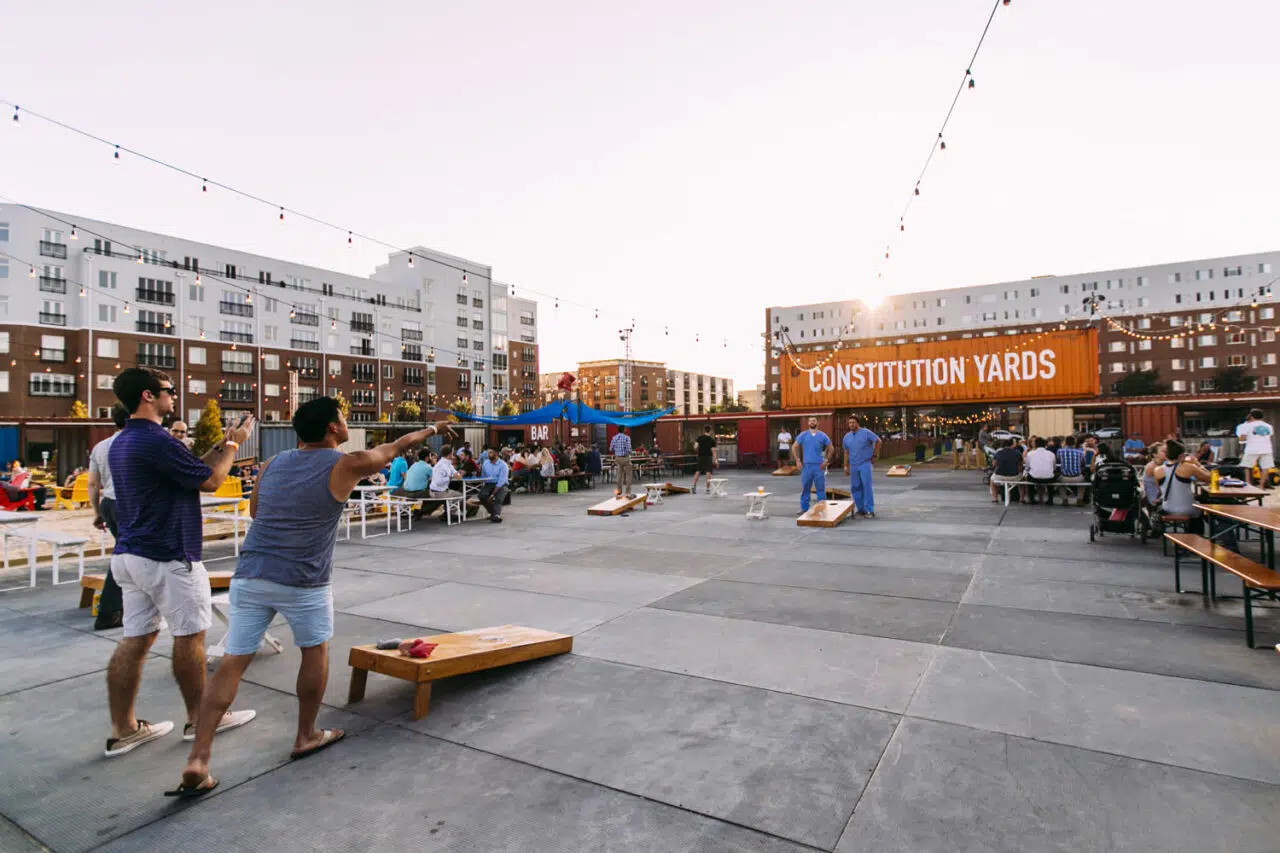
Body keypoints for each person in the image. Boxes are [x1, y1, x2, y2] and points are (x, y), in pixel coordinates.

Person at [175, 402, 449, 795]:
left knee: (232, 663)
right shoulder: (346, 464)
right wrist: (428, 430)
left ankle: (199, 758)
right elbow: (394, 448)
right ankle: (306, 734)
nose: (347, 422)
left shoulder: (269, 466)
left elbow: (256, 512)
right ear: (331, 428)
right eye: (342, 417)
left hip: (252, 573)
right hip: (304, 580)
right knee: (314, 652)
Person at [103, 367, 255, 759]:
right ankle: (202, 719)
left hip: (130, 553)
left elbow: (193, 471)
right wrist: (235, 447)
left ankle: (124, 729)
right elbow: (209, 481)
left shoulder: (122, 440)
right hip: (167, 553)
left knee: (134, 640)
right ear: (148, 396)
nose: (174, 397)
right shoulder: (155, 438)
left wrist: (221, 444)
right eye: (169, 391)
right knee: (190, 637)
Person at [87, 404, 130, 630]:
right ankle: (109, 612)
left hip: (109, 504)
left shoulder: (100, 446)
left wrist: (97, 513)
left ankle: (119, 608)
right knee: (125, 556)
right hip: (127, 505)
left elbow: (93, 483)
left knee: (125, 553)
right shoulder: (135, 443)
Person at [1154, 439, 1213, 533]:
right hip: (1187, 508)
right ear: (1181, 455)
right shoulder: (1188, 467)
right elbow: (1210, 478)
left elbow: (1160, 490)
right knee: (1203, 508)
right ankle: (1196, 537)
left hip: (1167, 507)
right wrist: (1197, 463)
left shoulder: (1157, 470)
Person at [842, 415, 881, 517]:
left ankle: (869, 510)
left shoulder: (866, 432)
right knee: (855, 487)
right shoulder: (846, 437)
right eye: (850, 423)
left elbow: (878, 441)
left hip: (865, 463)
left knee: (867, 486)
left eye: (853, 422)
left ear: (857, 423)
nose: (851, 424)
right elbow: (846, 452)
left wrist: (874, 455)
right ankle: (860, 509)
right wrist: (846, 466)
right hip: (853, 465)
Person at [792, 417, 832, 514]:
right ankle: (804, 508)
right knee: (806, 487)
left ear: (818, 422)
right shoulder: (803, 435)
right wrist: (797, 460)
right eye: (810, 421)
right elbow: (794, 446)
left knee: (820, 489)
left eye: (814, 420)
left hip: (819, 466)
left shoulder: (822, 435)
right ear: (808, 423)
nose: (812, 422)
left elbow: (831, 448)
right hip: (807, 466)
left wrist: (826, 460)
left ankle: (822, 508)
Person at [1236, 409, 1275, 485]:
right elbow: (1269, 437)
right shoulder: (1269, 426)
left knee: (1247, 466)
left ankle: (1248, 484)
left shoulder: (1247, 426)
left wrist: (1241, 440)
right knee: (1265, 467)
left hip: (1252, 448)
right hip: (1266, 448)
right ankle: (1262, 486)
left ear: (1251, 416)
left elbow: (1242, 438)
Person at [1024, 437, 1059, 505]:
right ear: (1045, 444)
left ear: (1035, 444)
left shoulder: (1030, 453)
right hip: (1049, 478)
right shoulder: (1051, 454)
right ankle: (1050, 499)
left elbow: (1027, 467)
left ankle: (1031, 498)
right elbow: (1054, 467)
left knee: (1029, 477)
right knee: (1051, 475)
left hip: (1034, 478)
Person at [479, 447, 509, 523]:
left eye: (490, 453)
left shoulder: (503, 465)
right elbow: (483, 477)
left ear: (496, 454)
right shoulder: (485, 463)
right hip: (489, 484)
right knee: (481, 496)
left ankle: (496, 516)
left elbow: (501, 481)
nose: (488, 454)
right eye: (488, 453)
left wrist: (492, 495)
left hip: (501, 485)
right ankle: (493, 513)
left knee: (498, 498)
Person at [1055, 435, 1087, 506]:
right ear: (1074, 443)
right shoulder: (1080, 452)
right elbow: (1083, 463)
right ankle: (1079, 499)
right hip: (1078, 478)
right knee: (1083, 482)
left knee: (1059, 481)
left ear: (1065, 443)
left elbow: (1058, 460)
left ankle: (1065, 499)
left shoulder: (1060, 451)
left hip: (1064, 478)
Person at [691, 426, 718, 494]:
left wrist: (699, 450)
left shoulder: (699, 438)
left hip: (700, 457)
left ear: (704, 431)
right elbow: (714, 451)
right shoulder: (712, 440)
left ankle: (693, 487)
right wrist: (715, 460)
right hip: (708, 457)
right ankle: (707, 489)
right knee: (708, 473)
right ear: (710, 431)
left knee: (698, 471)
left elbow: (695, 447)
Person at [609, 426, 635, 497]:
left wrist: (617, 450)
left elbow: (611, 449)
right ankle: (627, 492)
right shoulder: (627, 438)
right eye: (625, 428)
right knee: (628, 475)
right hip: (625, 458)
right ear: (623, 430)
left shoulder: (614, 437)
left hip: (617, 458)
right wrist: (632, 453)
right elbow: (629, 449)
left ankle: (618, 492)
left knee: (619, 476)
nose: (626, 429)